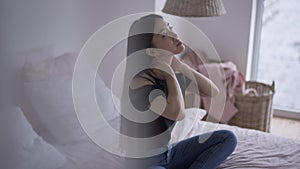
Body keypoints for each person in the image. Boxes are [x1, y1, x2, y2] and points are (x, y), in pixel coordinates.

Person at [120, 14, 237, 169]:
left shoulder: (170, 76)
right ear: (151, 51)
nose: (173, 35)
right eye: (164, 34)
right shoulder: (140, 84)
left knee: (227, 138)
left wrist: (181, 66)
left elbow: (212, 91)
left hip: (168, 152)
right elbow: (178, 113)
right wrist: (169, 73)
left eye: (170, 28)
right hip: (145, 163)